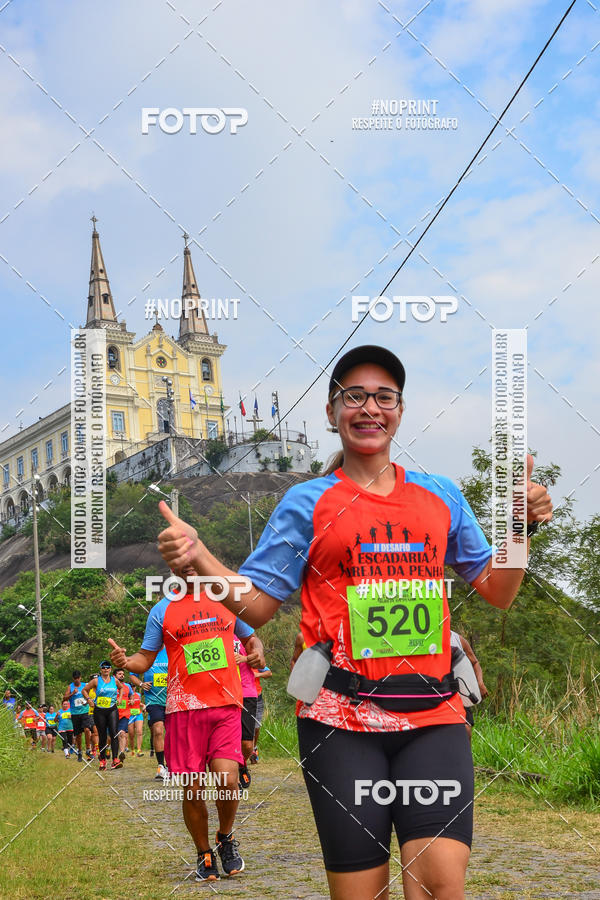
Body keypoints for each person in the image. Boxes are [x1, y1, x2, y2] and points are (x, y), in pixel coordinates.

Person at [154, 344, 553, 900]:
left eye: (383, 397)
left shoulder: (440, 496)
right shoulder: (306, 501)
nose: (370, 408)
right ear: (332, 411)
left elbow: (499, 589)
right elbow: (258, 604)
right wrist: (199, 555)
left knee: (440, 887)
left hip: (433, 714)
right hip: (339, 722)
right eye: (355, 397)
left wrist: (518, 527)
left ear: (400, 410)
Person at [108, 562, 265, 882]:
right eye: (181, 563)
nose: (188, 567)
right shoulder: (162, 610)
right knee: (192, 789)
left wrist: (256, 650)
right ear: (173, 568)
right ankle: (203, 852)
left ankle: (226, 837)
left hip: (224, 705)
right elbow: (145, 659)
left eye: (193, 560)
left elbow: (251, 639)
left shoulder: (226, 599)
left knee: (227, 780)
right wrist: (126, 662)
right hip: (182, 710)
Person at [130, 645, 168, 780]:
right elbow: (132, 676)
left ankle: (172, 764)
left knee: (173, 734)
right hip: (154, 701)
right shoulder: (146, 653)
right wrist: (141, 684)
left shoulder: (171, 649)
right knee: (158, 730)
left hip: (171, 699)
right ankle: (161, 766)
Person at [233, 635, 266, 787]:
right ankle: (231, 773)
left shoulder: (245, 636)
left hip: (247, 693)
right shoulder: (213, 633)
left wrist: (245, 659)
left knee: (247, 744)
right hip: (224, 693)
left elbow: (262, 663)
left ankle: (242, 763)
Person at [82, 662, 121, 771]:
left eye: (108, 667)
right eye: (103, 668)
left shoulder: (115, 680)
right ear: (100, 669)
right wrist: (89, 700)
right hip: (99, 711)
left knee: (114, 733)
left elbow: (121, 688)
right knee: (102, 735)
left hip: (112, 709)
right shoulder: (96, 681)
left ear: (110, 669)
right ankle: (102, 760)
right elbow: (84, 690)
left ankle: (115, 760)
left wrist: (120, 698)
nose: (105, 669)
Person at [64, 670, 94, 761]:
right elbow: (64, 698)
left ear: (80, 678)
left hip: (85, 711)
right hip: (75, 713)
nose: (77, 680)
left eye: (78, 678)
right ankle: (80, 751)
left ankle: (88, 749)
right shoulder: (70, 686)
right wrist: (72, 693)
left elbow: (91, 695)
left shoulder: (85, 685)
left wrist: (87, 701)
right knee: (78, 734)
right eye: (75, 679)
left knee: (87, 729)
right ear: (73, 679)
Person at [250, 664, 271, 763]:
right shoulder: (235, 659)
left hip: (257, 697)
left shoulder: (254, 659)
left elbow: (268, 673)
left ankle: (254, 748)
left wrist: (256, 675)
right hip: (241, 697)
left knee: (256, 727)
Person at [115, 668, 132, 762]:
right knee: (111, 736)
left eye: (123, 674)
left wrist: (132, 699)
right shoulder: (111, 686)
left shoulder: (128, 686)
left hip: (125, 714)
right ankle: (109, 749)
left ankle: (121, 753)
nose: (122, 675)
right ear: (114, 676)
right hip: (112, 714)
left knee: (122, 733)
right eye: (119, 674)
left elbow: (131, 695)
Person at [127, 688, 146, 756]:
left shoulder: (138, 694)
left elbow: (139, 703)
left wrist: (143, 706)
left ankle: (139, 750)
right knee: (131, 734)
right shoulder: (127, 695)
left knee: (139, 731)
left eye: (134, 686)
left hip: (138, 715)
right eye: (131, 686)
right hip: (130, 715)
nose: (133, 687)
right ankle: (132, 749)